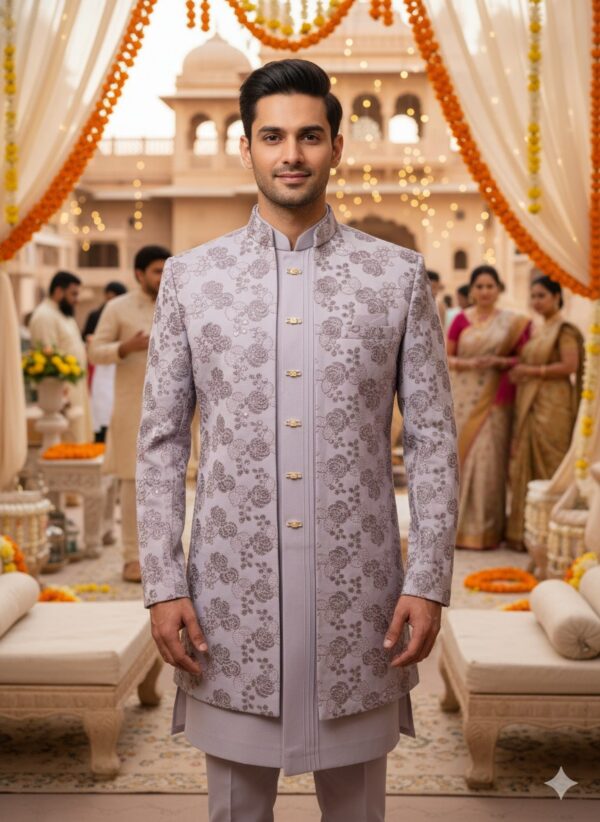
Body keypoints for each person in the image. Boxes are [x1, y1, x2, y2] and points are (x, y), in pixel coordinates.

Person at [136, 59, 458, 822]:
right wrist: (163, 583)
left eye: (310, 136)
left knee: (357, 812)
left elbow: (435, 439)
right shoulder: (193, 280)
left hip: (361, 601)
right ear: (246, 146)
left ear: (337, 146)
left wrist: (427, 579)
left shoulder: (396, 277)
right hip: (228, 603)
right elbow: (159, 444)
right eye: (273, 136)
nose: (292, 154)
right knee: (235, 811)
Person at [89, 246, 170, 582]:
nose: (163, 277)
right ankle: (132, 558)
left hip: (173, 409)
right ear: (139, 274)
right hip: (131, 408)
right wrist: (124, 347)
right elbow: (95, 351)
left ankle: (166, 559)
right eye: (156, 271)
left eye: (166, 269)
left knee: (171, 485)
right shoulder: (117, 308)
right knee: (132, 483)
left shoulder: (180, 302)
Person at [447, 265, 530, 550]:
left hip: (496, 401)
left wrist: (500, 362)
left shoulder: (513, 323)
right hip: (463, 401)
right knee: (461, 462)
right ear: (472, 290)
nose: (484, 292)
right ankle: (458, 531)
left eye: (489, 286)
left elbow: (524, 360)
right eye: (479, 286)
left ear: (498, 289)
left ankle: (488, 531)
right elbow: (446, 357)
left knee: (489, 465)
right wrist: (470, 364)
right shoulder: (460, 319)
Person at [506, 276, 584, 550]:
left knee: (552, 461)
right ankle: (527, 535)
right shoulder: (540, 329)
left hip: (553, 404)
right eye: (533, 296)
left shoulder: (564, 330)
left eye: (541, 296)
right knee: (526, 461)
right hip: (532, 401)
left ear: (556, 297)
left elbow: (570, 366)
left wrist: (530, 371)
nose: (536, 301)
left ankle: (553, 536)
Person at [28, 270, 92, 443]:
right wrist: (61, 396)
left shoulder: (63, 314)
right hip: (60, 393)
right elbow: (47, 360)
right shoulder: (44, 316)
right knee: (66, 440)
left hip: (76, 387)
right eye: (73, 294)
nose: (77, 299)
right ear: (58, 291)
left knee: (78, 439)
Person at [84, 281, 128, 443]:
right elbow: (88, 337)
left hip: (122, 364)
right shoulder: (96, 315)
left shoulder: (125, 313)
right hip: (102, 366)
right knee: (100, 403)